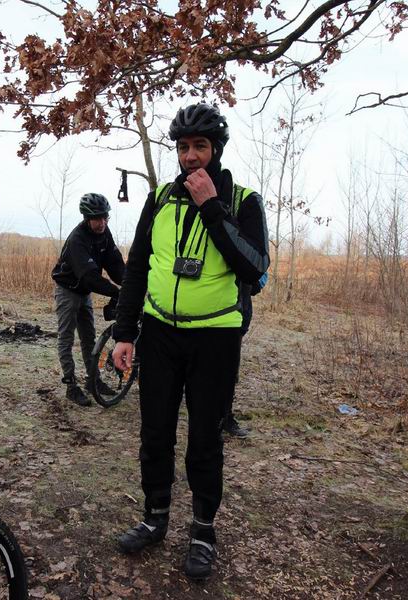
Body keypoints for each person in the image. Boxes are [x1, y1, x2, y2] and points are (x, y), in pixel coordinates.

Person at [111, 104, 269, 579]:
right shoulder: (159, 198)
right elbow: (137, 265)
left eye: (199, 146)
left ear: (215, 150)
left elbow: (255, 266)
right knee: (154, 431)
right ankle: (154, 517)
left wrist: (211, 208)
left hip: (216, 338)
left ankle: (203, 531)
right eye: (182, 147)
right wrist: (123, 332)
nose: (190, 157)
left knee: (204, 438)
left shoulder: (242, 200)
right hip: (159, 334)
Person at [51, 193, 126, 406]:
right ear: (86, 218)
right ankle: (70, 385)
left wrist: (129, 286)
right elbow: (91, 277)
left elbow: (115, 265)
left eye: (105, 218)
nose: (102, 223)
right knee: (66, 337)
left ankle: (93, 381)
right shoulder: (78, 239)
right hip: (68, 290)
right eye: (97, 219)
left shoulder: (104, 233)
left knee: (89, 337)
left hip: (84, 291)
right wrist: (115, 292)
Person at [223, 271, 268, 438]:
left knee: (229, 371)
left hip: (237, 315)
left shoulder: (250, 246)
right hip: (219, 314)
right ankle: (218, 419)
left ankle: (224, 418)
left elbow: (258, 281)